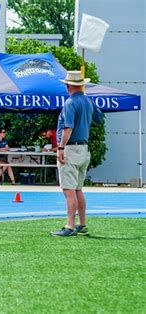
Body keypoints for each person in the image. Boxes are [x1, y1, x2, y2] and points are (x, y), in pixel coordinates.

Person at [51, 70, 103, 237]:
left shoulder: (70, 103)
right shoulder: (87, 101)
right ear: (82, 85)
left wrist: (60, 148)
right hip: (83, 149)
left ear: (68, 86)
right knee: (78, 188)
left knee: (69, 190)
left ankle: (70, 226)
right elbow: (99, 118)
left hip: (71, 149)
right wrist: (88, 101)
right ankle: (82, 223)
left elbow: (68, 127)